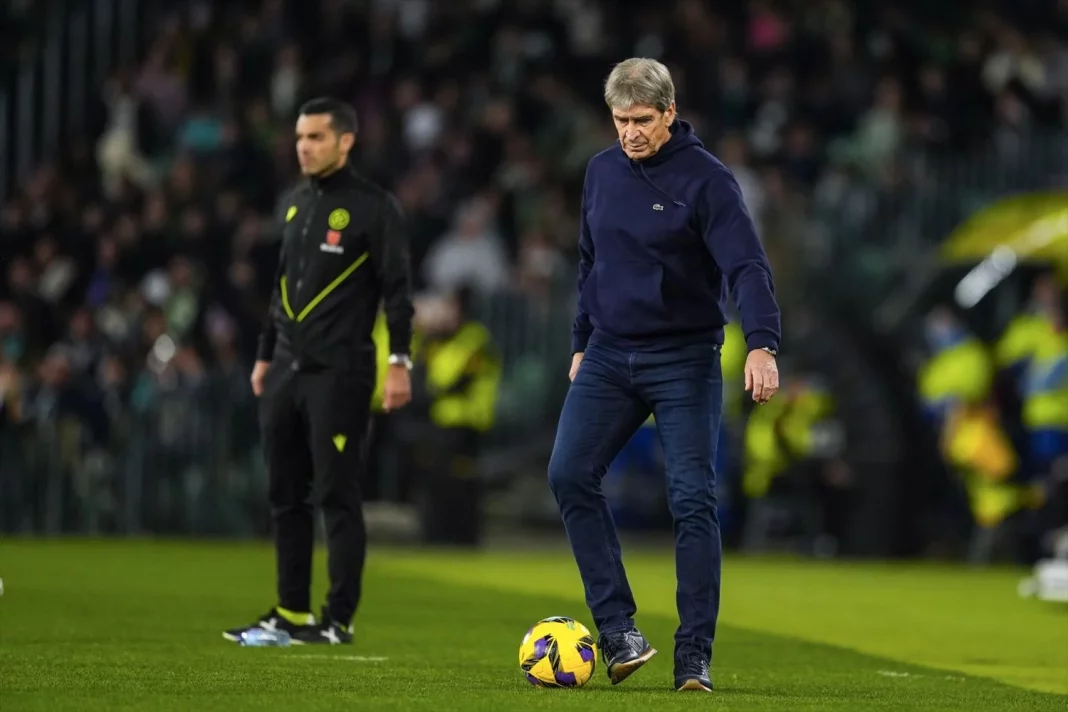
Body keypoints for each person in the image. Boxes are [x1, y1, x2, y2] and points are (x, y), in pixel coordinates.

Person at [546, 58, 781, 692]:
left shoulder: (707, 180)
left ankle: (693, 656)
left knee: (693, 501)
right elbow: (590, 263)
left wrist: (761, 344)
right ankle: (619, 630)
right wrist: (579, 341)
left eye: (642, 120)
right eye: (620, 121)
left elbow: (748, 268)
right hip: (608, 353)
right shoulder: (600, 172)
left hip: (684, 360)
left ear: (670, 113)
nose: (630, 133)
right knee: (568, 473)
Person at [224, 97, 414, 645]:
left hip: (341, 371)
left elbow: (398, 293)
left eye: (315, 138)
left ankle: (338, 619)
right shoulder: (293, 205)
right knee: (285, 493)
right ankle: (290, 613)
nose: (303, 146)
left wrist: (399, 362)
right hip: (286, 369)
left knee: (337, 493)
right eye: (300, 137)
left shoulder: (376, 208)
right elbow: (282, 290)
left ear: (345, 141)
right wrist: (265, 355)